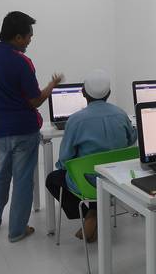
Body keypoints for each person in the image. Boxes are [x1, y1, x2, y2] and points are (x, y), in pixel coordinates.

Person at [0, 11, 63, 242]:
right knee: (23, 180)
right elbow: (34, 100)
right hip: (24, 130)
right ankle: (17, 231)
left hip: (0, 129)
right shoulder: (22, 61)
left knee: (1, 175)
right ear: (17, 37)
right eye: (28, 36)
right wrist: (51, 86)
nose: (30, 41)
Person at [45, 69, 137, 242]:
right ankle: (96, 211)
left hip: (87, 183)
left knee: (53, 179)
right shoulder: (121, 114)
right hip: (117, 179)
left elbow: (65, 160)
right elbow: (132, 139)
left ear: (83, 93)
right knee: (98, 174)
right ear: (109, 93)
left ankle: (90, 215)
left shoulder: (75, 120)